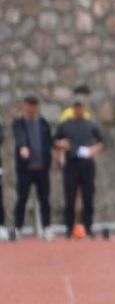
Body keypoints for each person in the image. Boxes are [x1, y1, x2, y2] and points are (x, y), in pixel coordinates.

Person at [53, 96, 105, 239]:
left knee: (88, 196)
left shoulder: (90, 124)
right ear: (72, 108)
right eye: (76, 107)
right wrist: (60, 144)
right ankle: (69, 228)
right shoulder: (65, 125)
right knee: (69, 197)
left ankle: (88, 227)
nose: (78, 109)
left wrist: (96, 149)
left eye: (80, 106)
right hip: (71, 164)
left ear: (84, 108)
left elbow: (103, 141)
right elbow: (54, 141)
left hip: (87, 164)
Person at [12, 94, 55, 240]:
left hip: (42, 168)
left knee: (45, 199)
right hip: (25, 169)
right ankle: (18, 228)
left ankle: (47, 228)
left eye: (34, 104)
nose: (32, 107)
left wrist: (57, 150)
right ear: (25, 105)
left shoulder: (43, 123)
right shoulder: (19, 123)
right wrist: (23, 147)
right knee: (22, 198)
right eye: (29, 104)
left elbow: (50, 141)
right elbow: (19, 136)